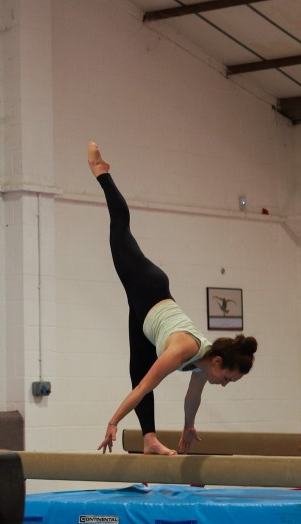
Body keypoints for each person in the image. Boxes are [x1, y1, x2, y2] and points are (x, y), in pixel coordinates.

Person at [88, 142, 258, 456]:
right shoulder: (183, 350)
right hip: (146, 286)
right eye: (227, 378)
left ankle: (149, 438)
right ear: (218, 362)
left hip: (145, 314)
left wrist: (189, 425)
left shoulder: (202, 364)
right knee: (120, 229)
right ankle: (102, 173)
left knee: (137, 369)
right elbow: (145, 388)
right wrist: (113, 421)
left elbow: (192, 398)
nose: (224, 384)